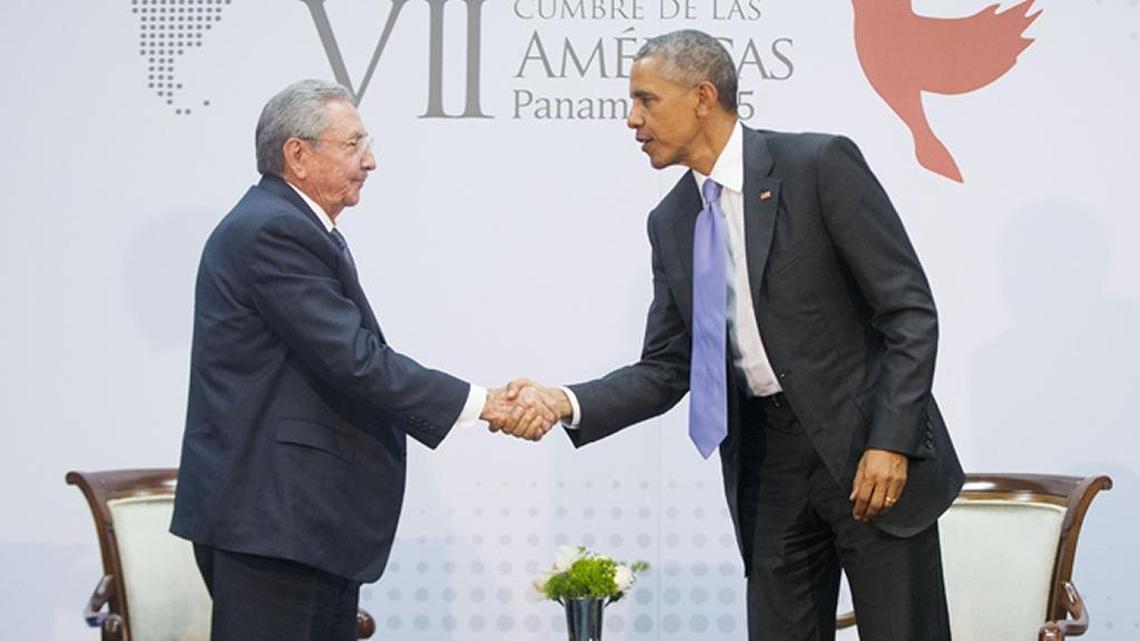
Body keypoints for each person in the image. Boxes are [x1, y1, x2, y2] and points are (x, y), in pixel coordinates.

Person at [510, 30, 965, 641]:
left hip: (867, 455)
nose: (631, 119)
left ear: (702, 96)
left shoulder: (818, 165)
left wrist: (892, 441)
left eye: (646, 100)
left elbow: (908, 312)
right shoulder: (671, 221)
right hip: (765, 465)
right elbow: (669, 368)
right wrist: (566, 401)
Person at [170, 79, 554, 641]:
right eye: (352, 145)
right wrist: (487, 404)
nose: (370, 161)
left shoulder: (291, 226)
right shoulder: (272, 230)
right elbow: (357, 360)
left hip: (302, 523)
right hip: (274, 525)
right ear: (297, 155)